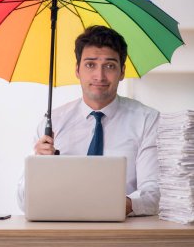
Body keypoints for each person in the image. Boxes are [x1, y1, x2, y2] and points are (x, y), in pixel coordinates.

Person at [18, 25, 160, 216]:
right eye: (90, 65)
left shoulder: (147, 120)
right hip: (61, 231)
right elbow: (23, 201)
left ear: (122, 71)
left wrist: (111, 205)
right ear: (77, 70)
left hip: (124, 233)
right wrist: (39, 166)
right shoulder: (52, 123)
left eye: (109, 66)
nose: (99, 76)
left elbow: (154, 192)